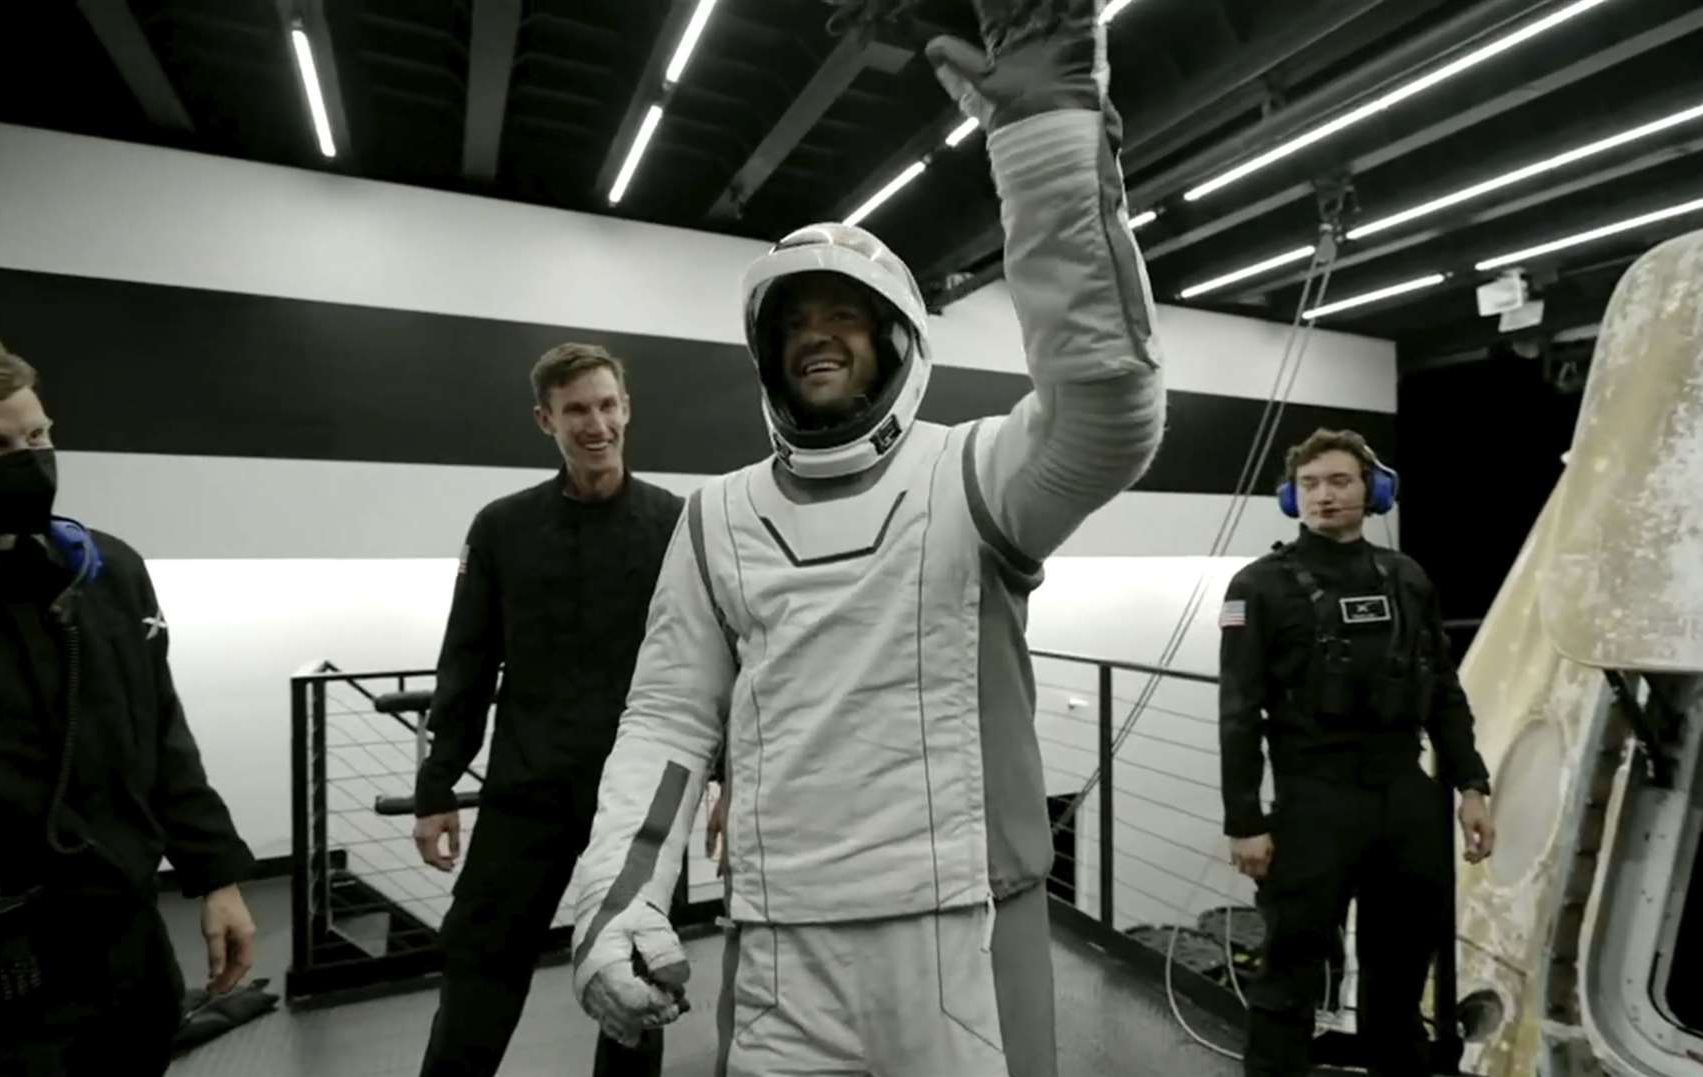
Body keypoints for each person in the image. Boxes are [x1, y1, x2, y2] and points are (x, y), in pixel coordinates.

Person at [564, 3, 1168, 1073]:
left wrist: (1050, 153)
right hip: (779, 942)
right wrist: (616, 903)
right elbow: (664, 722)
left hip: (964, 932)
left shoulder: (970, 472)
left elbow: (1110, 405)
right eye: (794, 323)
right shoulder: (716, 518)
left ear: (895, 339)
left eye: (841, 315)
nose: (815, 337)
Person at [0, 319, 257, 1075]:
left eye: (38, 436)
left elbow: (164, 736)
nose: (26, 462)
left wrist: (216, 872)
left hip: (124, 946)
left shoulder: (105, 572)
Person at [413, 343, 684, 1077]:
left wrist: (726, 775)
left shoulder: (677, 525)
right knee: (478, 968)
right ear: (546, 420)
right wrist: (436, 785)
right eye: (575, 411)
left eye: (605, 405)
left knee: (636, 985)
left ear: (625, 407)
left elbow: (710, 666)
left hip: (635, 804)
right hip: (527, 791)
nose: (595, 424)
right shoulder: (502, 528)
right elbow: (465, 663)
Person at [1217, 427, 1496, 1077]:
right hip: (1314, 801)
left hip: (1406, 800)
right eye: (1310, 484)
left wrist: (1471, 786)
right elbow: (1238, 712)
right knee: (1289, 973)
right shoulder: (1259, 586)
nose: (1324, 495)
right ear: (1292, 496)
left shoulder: (1407, 579)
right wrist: (1246, 821)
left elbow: (1444, 692)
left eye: (1339, 480)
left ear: (1372, 490)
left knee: (1398, 979)